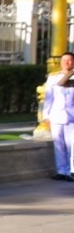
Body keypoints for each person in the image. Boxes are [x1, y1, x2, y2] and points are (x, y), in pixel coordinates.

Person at [48, 52, 74, 181]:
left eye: (69, 60)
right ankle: (61, 171)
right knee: (59, 145)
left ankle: (71, 171)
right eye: (64, 60)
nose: (66, 62)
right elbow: (49, 97)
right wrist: (47, 115)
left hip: (72, 116)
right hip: (57, 115)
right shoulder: (53, 77)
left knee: (71, 145)